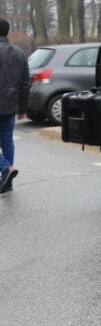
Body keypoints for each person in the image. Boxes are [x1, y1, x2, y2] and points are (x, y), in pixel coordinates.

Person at [0, 18, 30, 194]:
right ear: (7, 32)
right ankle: (7, 181)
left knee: (6, 140)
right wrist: (22, 108)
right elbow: (25, 83)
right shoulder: (19, 53)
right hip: (11, 104)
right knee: (7, 140)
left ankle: (6, 168)